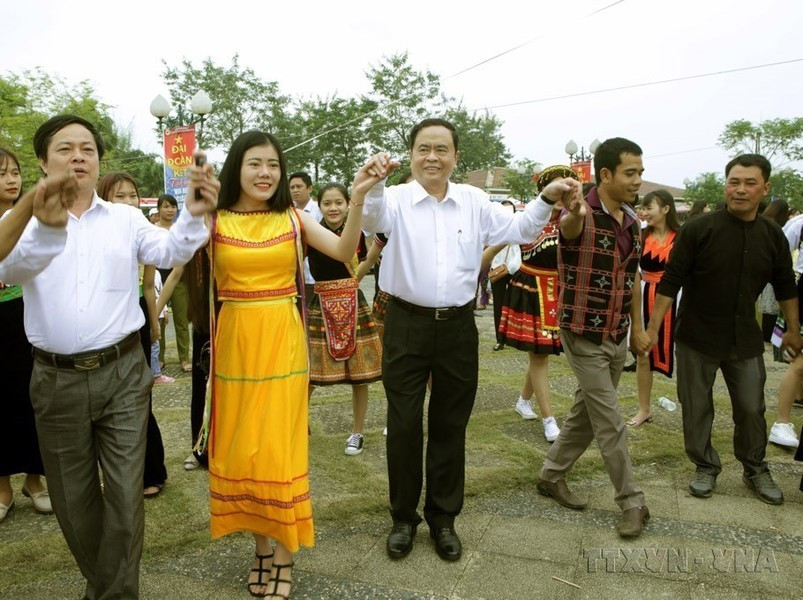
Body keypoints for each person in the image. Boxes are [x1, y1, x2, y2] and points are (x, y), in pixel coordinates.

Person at [0, 115, 216, 599]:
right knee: (73, 501)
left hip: (122, 371)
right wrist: (47, 227)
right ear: (42, 160)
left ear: (99, 160)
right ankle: (108, 585)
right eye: (65, 148)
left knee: (124, 494)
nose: (78, 156)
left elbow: (169, 248)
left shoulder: (124, 217)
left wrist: (195, 213)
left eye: (87, 149)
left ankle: (113, 594)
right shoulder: (24, 221)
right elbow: (11, 267)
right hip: (55, 379)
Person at [358, 117, 580, 562]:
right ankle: (403, 517)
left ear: (456, 157)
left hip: (458, 327)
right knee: (403, 423)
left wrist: (545, 198)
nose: (433, 157)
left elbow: (518, 230)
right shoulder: (396, 199)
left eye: (442, 149)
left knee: (450, 423)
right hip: (405, 323)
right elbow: (371, 217)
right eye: (424, 148)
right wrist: (374, 183)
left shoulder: (474, 201)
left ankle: (443, 518)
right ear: (413, 154)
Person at [203, 130, 368, 598]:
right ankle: (260, 545)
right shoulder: (214, 220)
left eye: (273, 165)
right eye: (255, 163)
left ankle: (284, 551)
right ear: (237, 166)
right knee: (244, 447)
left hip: (282, 339)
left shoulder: (294, 218)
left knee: (276, 447)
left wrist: (355, 199)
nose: (265, 173)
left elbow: (341, 251)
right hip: (235, 341)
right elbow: (173, 252)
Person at [646, 154, 802, 505]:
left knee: (751, 407)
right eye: (734, 182)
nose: (741, 190)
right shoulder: (698, 229)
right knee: (696, 406)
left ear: (766, 187)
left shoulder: (772, 235)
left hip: (744, 338)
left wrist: (792, 329)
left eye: (750, 183)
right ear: (725, 185)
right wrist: (653, 328)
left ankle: (754, 467)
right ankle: (705, 465)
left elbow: (784, 285)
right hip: (696, 336)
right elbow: (671, 281)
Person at [536, 137, 650, 539]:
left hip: (617, 334)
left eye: (640, 171)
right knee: (610, 421)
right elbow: (569, 226)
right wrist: (572, 211)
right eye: (629, 173)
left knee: (586, 413)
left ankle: (551, 476)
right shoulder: (580, 213)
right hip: (583, 333)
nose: (638, 179)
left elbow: (633, 278)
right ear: (605, 174)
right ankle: (632, 501)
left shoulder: (634, 222)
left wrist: (638, 328)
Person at [97, 172, 169, 498]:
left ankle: (151, 472)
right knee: (106, 406)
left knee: (141, 399)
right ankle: (116, 475)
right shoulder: (95, 234)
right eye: (119, 196)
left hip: (135, 316)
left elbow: (148, 287)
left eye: (132, 195)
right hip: (104, 321)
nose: (128, 202)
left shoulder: (144, 232)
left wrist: (153, 324)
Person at [494, 166, 579, 442]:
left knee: (540, 353)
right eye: (556, 187)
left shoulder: (574, 220)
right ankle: (549, 419)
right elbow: (498, 243)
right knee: (539, 355)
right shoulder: (529, 218)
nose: (561, 193)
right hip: (532, 291)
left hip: (561, 292)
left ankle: (523, 400)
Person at [306, 183, 383, 456]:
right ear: (319, 205)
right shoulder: (311, 233)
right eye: (327, 203)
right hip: (320, 306)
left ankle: (357, 432)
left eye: (338, 202)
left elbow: (369, 258)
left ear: (348, 203)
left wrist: (355, 278)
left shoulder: (357, 231)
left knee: (360, 377)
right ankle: (296, 424)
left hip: (354, 304)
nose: (333, 208)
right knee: (309, 376)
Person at [0, 147, 52, 523]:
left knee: (34, 397)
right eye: (2, 174)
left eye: (15, 172)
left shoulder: (35, 218)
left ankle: (35, 479)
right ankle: (1, 486)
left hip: (27, 317)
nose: (12, 179)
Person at [628, 189, 681, 427]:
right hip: (645, 295)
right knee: (643, 354)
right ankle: (644, 408)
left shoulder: (682, 237)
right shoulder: (640, 236)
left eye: (650, 208)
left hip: (677, 298)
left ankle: (692, 409)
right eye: (644, 208)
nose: (645, 212)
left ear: (666, 209)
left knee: (685, 354)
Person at [155, 193, 191, 371]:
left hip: (179, 279)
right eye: (166, 206)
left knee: (181, 321)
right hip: (157, 280)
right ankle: (159, 358)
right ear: (159, 209)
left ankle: (184, 359)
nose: (170, 210)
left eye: (173, 206)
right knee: (159, 320)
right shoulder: (152, 229)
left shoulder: (180, 230)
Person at [488, 200, 521, 351]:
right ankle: (499, 338)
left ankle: (515, 336)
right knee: (498, 306)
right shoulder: (493, 230)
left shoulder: (516, 228)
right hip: (497, 270)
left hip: (512, 270)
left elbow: (518, 252)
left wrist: (510, 268)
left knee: (515, 304)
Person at [289, 171, 322, 301]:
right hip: (294, 279)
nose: (295, 190)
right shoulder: (288, 212)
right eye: (292, 188)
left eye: (299, 186)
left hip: (314, 278)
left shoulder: (319, 211)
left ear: (309, 188)